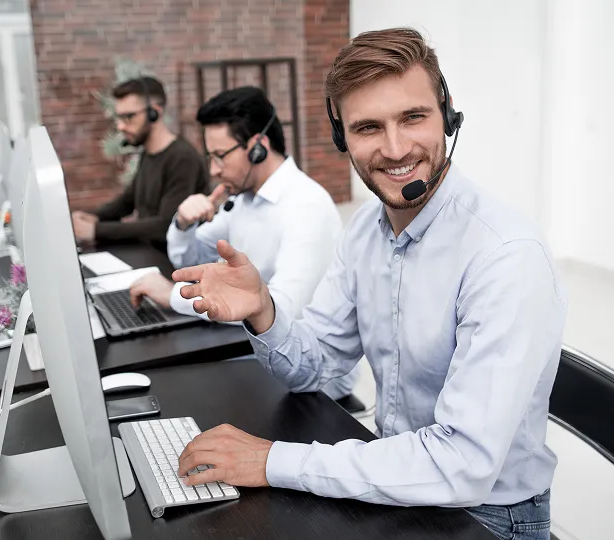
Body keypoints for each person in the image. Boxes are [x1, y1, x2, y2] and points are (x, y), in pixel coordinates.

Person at [169, 28, 568, 540]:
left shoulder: (505, 257)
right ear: (342, 138)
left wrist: (272, 461)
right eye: (368, 127)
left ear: (446, 116)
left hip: (487, 516)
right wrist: (263, 311)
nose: (395, 148)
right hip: (396, 480)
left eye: (413, 117)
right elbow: (313, 368)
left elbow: (461, 465)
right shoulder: (365, 230)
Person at [129, 86, 362, 409]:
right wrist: (183, 224)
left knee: (174, 395)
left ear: (258, 147)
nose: (212, 169)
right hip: (256, 352)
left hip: (311, 380)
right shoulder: (243, 200)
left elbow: (279, 309)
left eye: (219, 156)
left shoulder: (305, 206)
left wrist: (171, 295)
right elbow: (190, 260)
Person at [72, 76, 209, 251]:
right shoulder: (148, 153)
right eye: (118, 118)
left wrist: (96, 230)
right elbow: (127, 201)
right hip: (148, 252)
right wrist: (93, 217)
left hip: (174, 262)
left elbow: (166, 225)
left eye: (128, 117)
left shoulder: (182, 158)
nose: (121, 126)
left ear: (154, 113)